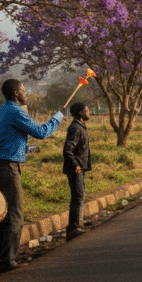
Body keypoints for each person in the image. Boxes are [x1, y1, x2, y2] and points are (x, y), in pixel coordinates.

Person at [0, 79, 64, 274]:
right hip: (7, 166)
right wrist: (58, 116)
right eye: (23, 90)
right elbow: (40, 132)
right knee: (15, 215)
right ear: (15, 93)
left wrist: (26, 149)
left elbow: (10, 137)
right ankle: (6, 260)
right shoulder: (16, 111)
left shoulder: (3, 109)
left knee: (5, 216)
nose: (26, 93)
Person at [63, 101, 92, 241]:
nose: (89, 112)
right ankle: (74, 227)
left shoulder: (81, 126)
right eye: (87, 110)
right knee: (78, 196)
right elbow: (68, 149)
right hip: (75, 168)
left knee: (79, 195)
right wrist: (76, 165)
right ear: (81, 113)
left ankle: (76, 225)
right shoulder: (76, 128)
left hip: (79, 167)